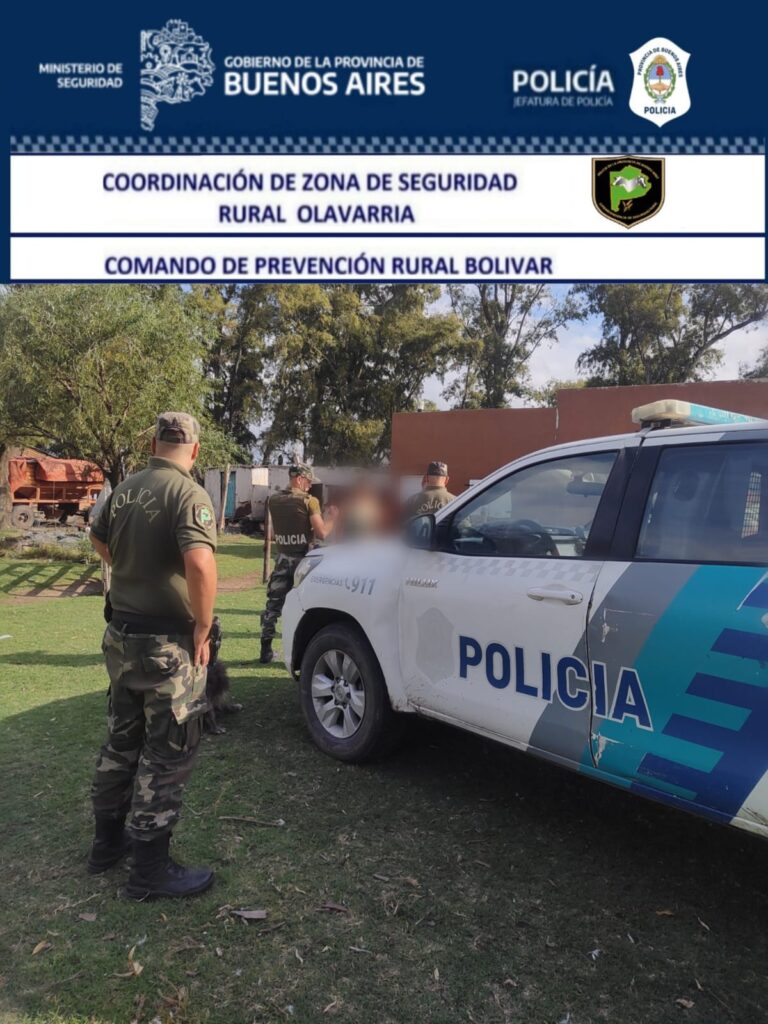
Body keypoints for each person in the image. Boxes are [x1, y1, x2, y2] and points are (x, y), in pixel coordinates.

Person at [87, 412, 218, 900]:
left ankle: (106, 845)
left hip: (121, 637)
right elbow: (200, 562)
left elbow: (97, 536)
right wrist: (202, 625)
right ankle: (149, 871)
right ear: (195, 449)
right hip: (166, 646)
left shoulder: (124, 489)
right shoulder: (187, 493)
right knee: (168, 752)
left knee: (121, 741)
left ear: (153, 444)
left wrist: (127, 568)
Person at [260, 464, 337, 664]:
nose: (310, 486)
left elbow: (275, 533)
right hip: (303, 563)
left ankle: (265, 649)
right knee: (308, 606)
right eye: (309, 482)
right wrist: (332, 518)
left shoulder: (274, 500)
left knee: (273, 606)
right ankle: (306, 651)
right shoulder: (309, 501)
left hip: (282, 560)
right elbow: (322, 533)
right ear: (300, 479)